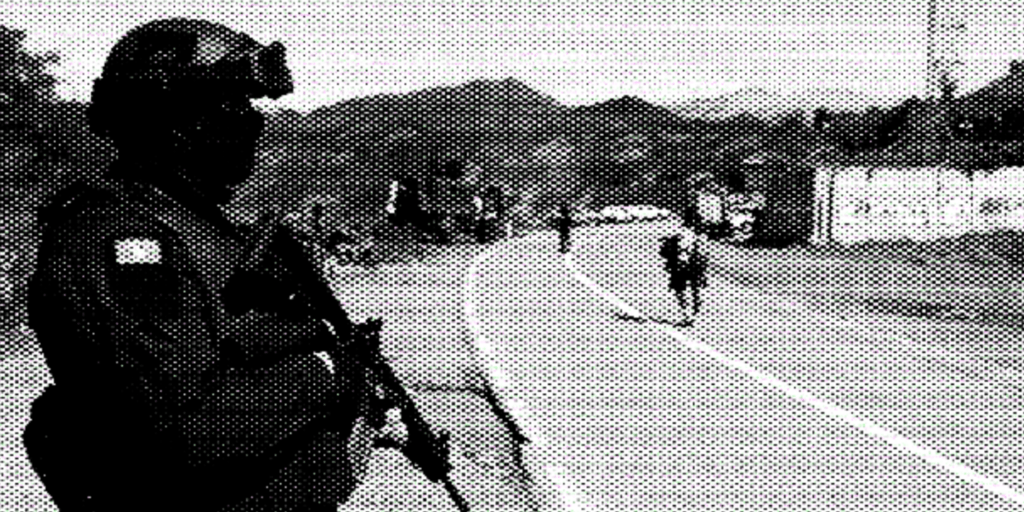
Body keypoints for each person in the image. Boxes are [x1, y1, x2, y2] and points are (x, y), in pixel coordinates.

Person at [22, 18, 385, 512]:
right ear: (175, 121)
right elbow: (188, 425)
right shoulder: (123, 243)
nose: (251, 122)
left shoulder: (180, 218)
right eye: (233, 105)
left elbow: (220, 345)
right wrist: (329, 372)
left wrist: (310, 341)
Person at [659, 226, 708, 323]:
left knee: (681, 290)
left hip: (680, 266)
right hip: (693, 265)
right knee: (694, 288)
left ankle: (687, 313)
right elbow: (703, 254)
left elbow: (664, 251)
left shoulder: (675, 232)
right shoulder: (698, 236)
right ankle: (693, 310)